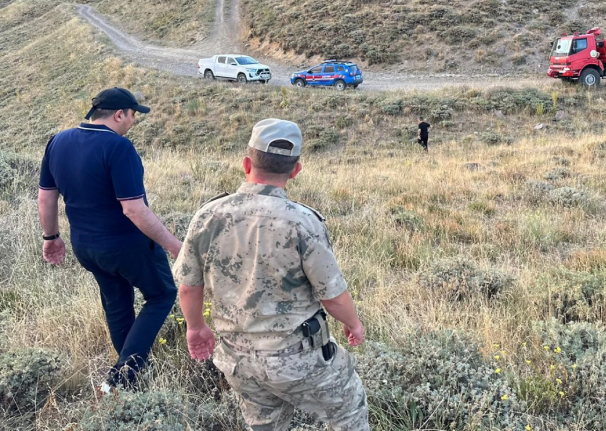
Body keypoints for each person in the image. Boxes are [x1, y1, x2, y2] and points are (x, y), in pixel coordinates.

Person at [174, 118, 368, 431]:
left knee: (264, 425)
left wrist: (196, 327)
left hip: (237, 359)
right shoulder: (303, 222)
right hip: (297, 358)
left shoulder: (207, 216)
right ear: (295, 171)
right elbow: (332, 297)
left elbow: (188, 287)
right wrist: (354, 324)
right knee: (348, 412)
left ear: (246, 163)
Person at [38, 87, 181, 391]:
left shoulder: (57, 142)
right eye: (132, 116)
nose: (133, 122)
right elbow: (133, 209)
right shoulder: (118, 148)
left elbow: (45, 198)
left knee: (117, 302)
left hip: (86, 247)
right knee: (161, 295)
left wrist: (51, 237)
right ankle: (123, 375)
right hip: (126, 245)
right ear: (119, 114)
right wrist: (174, 246)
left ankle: (130, 372)